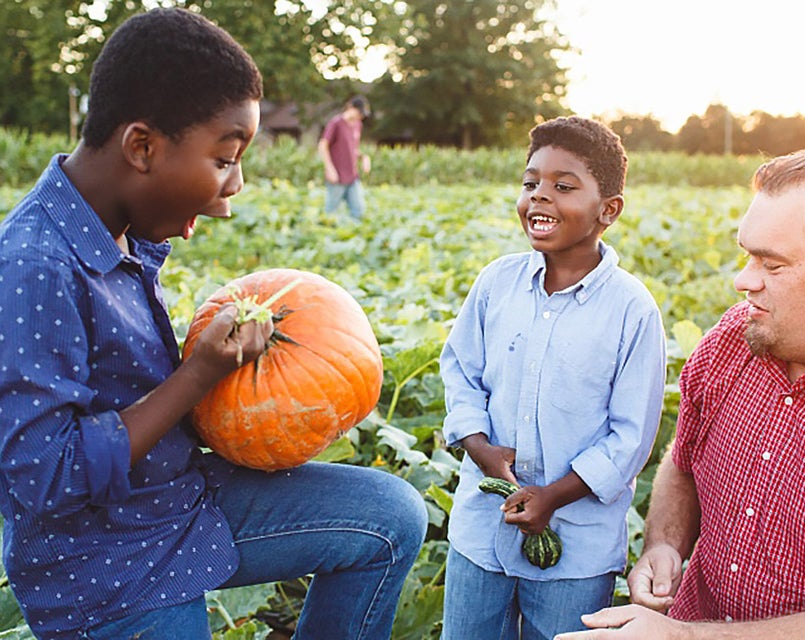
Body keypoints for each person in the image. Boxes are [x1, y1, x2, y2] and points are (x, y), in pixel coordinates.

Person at [0, 9, 426, 640]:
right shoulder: (32, 266)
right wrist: (199, 372)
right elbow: (47, 475)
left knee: (390, 515)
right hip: (112, 570)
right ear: (142, 147)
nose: (236, 185)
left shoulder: (119, 233)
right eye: (225, 159)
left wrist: (264, 392)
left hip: (177, 500)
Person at [555, 145, 805, 640]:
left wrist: (683, 637)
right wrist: (664, 545)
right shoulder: (737, 337)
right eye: (746, 255)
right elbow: (684, 459)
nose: (743, 281)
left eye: (772, 265)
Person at [439, 116, 667, 639]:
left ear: (608, 210)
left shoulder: (632, 310)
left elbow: (629, 438)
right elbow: (461, 372)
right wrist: (480, 447)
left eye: (563, 187)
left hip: (578, 547)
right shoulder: (497, 282)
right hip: (482, 527)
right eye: (530, 184)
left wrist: (553, 496)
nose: (540, 198)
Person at [318, 95, 372, 220]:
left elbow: (353, 149)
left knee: (359, 211)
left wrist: (364, 157)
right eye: (359, 112)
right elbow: (322, 145)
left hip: (352, 176)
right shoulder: (336, 123)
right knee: (330, 214)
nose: (361, 116)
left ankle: (355, 238)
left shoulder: (358, 125)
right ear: (350, 107)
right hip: (337, 176)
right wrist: (329, 169)